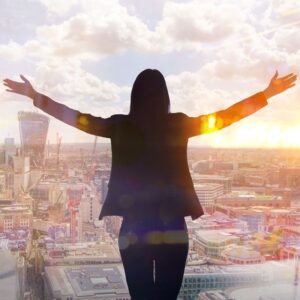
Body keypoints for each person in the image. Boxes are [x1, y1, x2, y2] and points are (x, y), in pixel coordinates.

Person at [3, 69, 297, 299]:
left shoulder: (120, 126)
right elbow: (223, 118)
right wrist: (266, 94)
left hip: (134, 230)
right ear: (165, 97)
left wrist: (35, 96)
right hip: (173, 229)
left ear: (135, 96)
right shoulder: (179, 124)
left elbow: (77, 119)